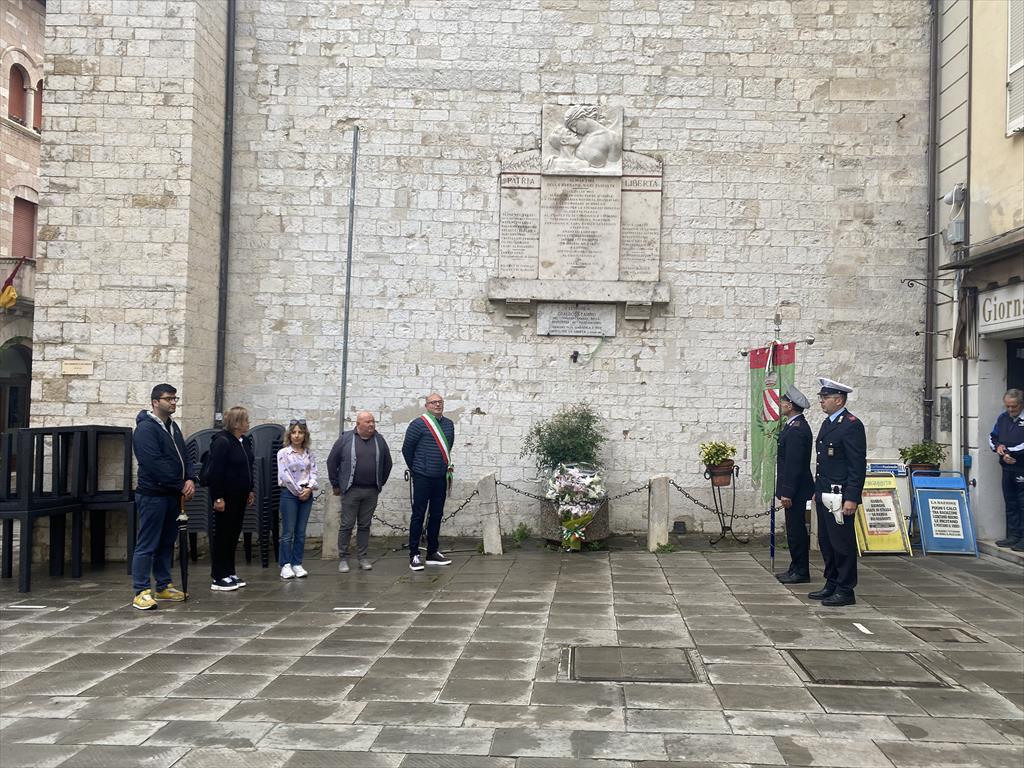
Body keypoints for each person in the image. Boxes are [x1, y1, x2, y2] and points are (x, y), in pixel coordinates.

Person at [131, 384, 195, 610]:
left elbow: (184, 455)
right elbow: (153, 463)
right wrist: (180, 484)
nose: (173, 402)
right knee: (147, 543)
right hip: (153, 495)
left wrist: (190, 478)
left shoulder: (172, 426)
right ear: (155, 402)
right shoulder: (146, 429)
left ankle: (163, 585)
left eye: (175, 398)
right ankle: (141, 590)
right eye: (169, 399)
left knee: (167, 542)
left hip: (172, 495)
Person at [809, 377, 866, 607]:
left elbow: (856, 465)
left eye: (825, 397)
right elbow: (824, 462)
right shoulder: (828, 423)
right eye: (821, 397)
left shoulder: (851, 425)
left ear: (839, 400)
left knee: (842, 543)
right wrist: (817, 489)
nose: (821, 401)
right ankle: (831, 582)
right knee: (826, 541)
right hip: (825, 492)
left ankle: (845, 589)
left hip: (841, 495)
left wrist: (852, 497)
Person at [327, 411, 393, 573]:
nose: (371, 424)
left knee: (364, 525)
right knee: (347, 525)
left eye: (373, 421)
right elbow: (332, 461)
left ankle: (362, 557)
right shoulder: (346, 439)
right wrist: (336, 484)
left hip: (371, 491)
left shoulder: (379, 440)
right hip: (351, 490)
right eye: (368, 422)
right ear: (358, 424)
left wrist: (380, 482)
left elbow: (388, 463)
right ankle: (343, 558)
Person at [402, 393, 455, 571]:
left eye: (440, 402)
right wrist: (417, 468)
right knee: (418, 515)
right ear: (427, 406)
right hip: (423, 476)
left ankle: (432, 552)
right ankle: (414, 554)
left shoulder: (449, 424)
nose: (437, 405)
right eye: (433, 402)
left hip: (440, 476)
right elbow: (407, 449)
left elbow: (448, 447)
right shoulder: (418, 424)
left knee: (437, 514)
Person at [206, 406, 255, 591]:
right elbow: (216, 471)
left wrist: (250, 489)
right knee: (223, 535)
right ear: (236, 423)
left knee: (234, 534)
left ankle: (229, 571)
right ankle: (218, 575)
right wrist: (218, 497)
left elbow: (248, 467)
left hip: (240, 495)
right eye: (245, 420)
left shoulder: (244, 441)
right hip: (226, 496)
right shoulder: (222, 442)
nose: (248, 423)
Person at [775, 384, 814, 584]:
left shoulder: (797, 430)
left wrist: (787, 492)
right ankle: (796, 567)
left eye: (783, 402)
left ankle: (801, 571)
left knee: (796, 532)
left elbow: (793, 464)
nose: (780, 404)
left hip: (796, 490)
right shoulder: (793, 426)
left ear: (790, 406)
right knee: (794, 531)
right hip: (795, 488)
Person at [277, 419, 319, 579]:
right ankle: (285, 564)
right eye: (294, 432)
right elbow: (284, 475)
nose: (297, 435)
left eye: (300, 432)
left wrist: (309, 489)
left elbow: (313, 472)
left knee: (300, 532)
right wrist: (298, 491)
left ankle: (297, 563)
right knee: (288, 531)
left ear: (304, 435)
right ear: (289, 435)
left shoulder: (309, 454)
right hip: (290, 494)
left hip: (306, 494)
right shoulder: (283, 453)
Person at [990, 388, 1024, 551]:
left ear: (1021, 404)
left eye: (1014, 406)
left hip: (1021, 466)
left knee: (1023, 503)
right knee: (1011, 502)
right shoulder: (1003, 418)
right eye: (1007, 406)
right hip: (1007, 466)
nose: (1010, 409)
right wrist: (998, 448)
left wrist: (1009, 452)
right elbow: (993, 437)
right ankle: (1014, 536)